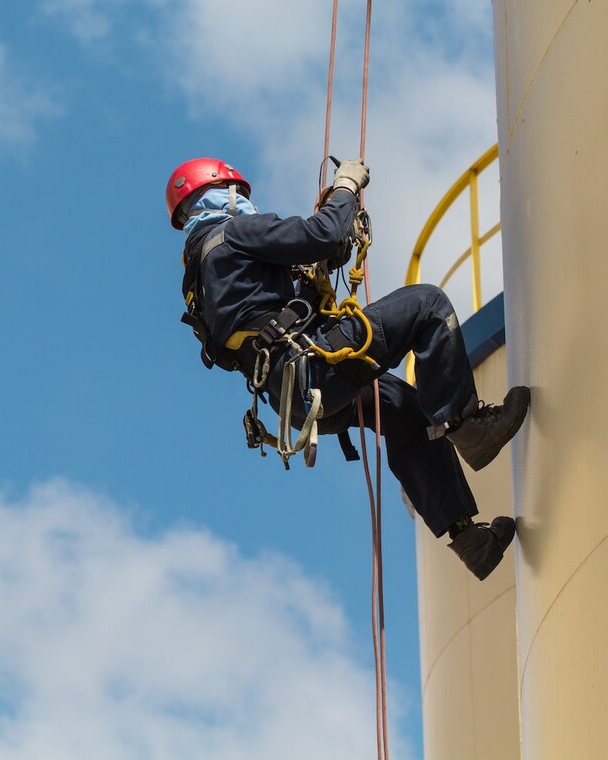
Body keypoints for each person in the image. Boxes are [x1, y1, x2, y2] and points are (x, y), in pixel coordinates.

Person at [167, 156, 530, 580]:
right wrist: (345, 189)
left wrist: (322, 259)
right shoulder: (234, 232)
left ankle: (471, 542)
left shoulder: (200, 277)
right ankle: (470, 428)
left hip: (297, 397)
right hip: (311, 370)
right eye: (240, 196)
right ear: (223, 195)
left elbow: (283, 288)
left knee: (405, 412)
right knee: (427, 305)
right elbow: (321, 234)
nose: (247, 203)